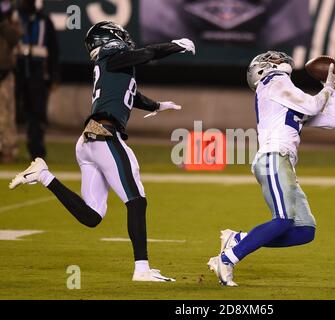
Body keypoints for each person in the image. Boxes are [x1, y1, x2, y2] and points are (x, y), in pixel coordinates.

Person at [9, 21, 196, 282]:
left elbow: (129, 93)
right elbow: (146, 54)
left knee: (93, 215)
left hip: (90, 139)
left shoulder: (110, 65)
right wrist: (174, 46)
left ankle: (44, 176)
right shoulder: (112, 56)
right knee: (136, 200)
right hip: (105, 135)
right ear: (110, 39)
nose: (126, 41)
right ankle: (141, 269)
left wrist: (157, 105)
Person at [207, 51, 335, 286]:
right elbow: (313, 106)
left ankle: (238, 239)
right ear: (262, 68)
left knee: (304, 230)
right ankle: (228, 259)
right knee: (282, 220)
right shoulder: (273, 80)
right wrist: (328, 87)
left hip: (282, 162)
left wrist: (328, 85)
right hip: (274, 157)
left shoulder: (282, 94)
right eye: (273, 59)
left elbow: (328, 120)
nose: (280, 60)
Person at [15, 0, 59, 160]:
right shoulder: (15, 16)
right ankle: (6, 147)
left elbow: (54, 49)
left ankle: (36, 151)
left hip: (37, 72)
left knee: (37, 112)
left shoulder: (44, 20)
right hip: (16, 68)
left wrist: (54, 76)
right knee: (9, 110)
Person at [0, 0, 21, 163]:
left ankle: (8, 149)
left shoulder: (10, 19)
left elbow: (15, 38)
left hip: (5, 72)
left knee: (7, 112)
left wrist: (3, 23)